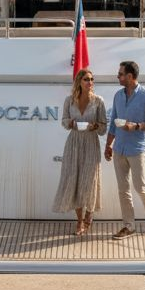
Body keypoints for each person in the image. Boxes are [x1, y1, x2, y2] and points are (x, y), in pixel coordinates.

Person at [105, 60, 145, 240]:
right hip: (119, 148)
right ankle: (129, 226)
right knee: (123, 189)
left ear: (130, 76)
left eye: (120, 74)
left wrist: (136, 126)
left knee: (140, 187)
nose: (118, 77)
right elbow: (114, 120)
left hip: (137, 150)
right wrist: (108, 145)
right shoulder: (117, 96)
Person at [52, 68, 107, 236]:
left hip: (91, 143)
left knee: (89, 181)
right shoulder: (69, 100)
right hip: (74, 142)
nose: (90, 82)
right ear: (79, 82)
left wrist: (94, 126)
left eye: (92, 79)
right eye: (86, 79)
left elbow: (103, 127)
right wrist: (71, 123)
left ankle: (89, 214)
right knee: (74, 180)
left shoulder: (98, 101)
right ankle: (79, 221)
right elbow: (63, 121)